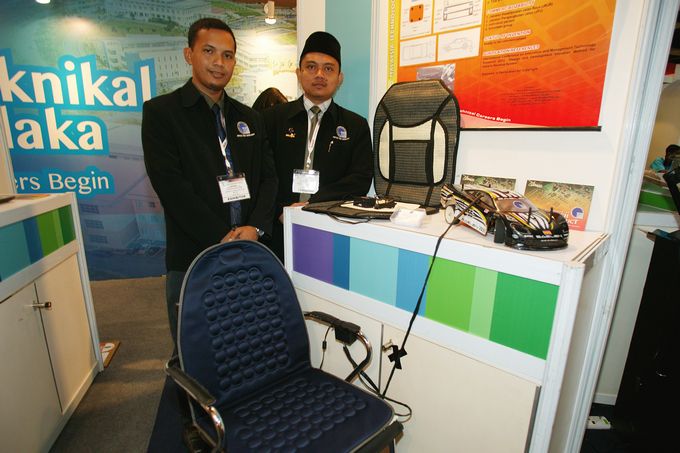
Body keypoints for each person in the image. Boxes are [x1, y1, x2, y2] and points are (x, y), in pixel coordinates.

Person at [142, 17, 277, 344]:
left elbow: (269, 179)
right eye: (209, 51)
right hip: (194, 257)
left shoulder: (250, 118)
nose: (219, 62)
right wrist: (222, 237)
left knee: (248, 344)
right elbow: (171, 187)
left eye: (228, 55)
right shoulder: (162, 113)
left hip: (248, 252)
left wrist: (255, 228)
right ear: (189, 54)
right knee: (196, 350)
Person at [263, 31, 373, 261]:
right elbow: (262, 172)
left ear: (340, 78)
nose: (320, 75)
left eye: (328, 69)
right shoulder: (272, 119)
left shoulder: (355, 125)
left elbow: (360, 179)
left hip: (329, 227)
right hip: (277, 227)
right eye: (311, 67)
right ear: (299, 73)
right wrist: (280, 210)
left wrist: (314, 204)